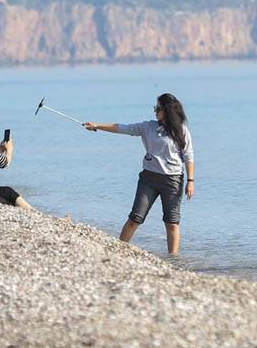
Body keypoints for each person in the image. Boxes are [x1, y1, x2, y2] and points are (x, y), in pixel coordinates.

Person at [83, 93, 194, 255]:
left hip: (173, 181)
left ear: (167, 110)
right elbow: (122, 128)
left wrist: (190, 181)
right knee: (135, 218)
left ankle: (173, 260)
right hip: (148, 179)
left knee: (172, 223)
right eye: (155, 108)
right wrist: (97, 126)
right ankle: (118, 252)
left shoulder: (182, 131)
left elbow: (189, 156)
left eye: (158, 108)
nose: (155, 111)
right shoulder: (147, 127)